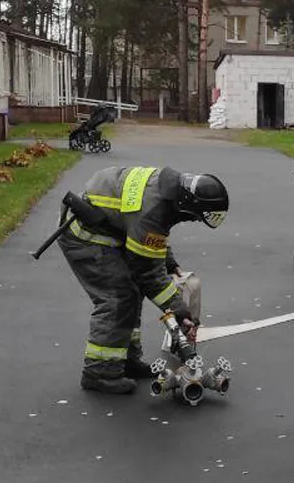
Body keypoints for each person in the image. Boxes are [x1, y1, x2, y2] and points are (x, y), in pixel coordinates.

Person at [57, 166, 229, 394]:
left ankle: (126, 360)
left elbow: (147, 232)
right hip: (85, 236)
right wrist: (179, 310)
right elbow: (147, 271)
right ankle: (99, 373)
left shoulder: (169, 188)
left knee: (131, 292)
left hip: (108, 227)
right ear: (189, 207)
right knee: (118, 298)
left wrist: (168, 260)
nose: (193, 221)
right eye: (196, 217)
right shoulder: (155, 210)